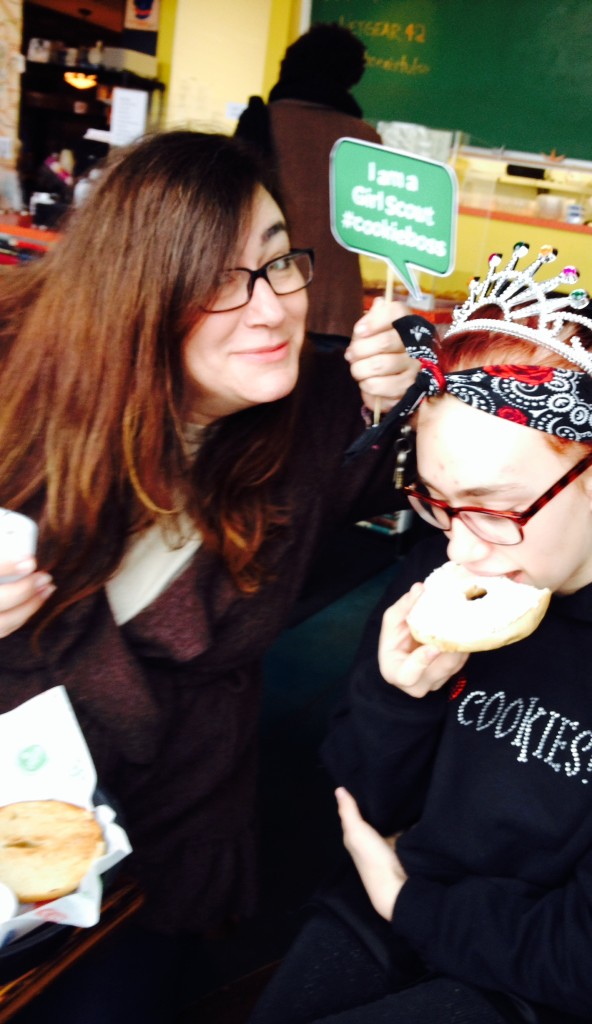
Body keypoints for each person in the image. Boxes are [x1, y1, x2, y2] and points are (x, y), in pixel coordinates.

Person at [249, 244, 592, 1024]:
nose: (461, 548)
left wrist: (408, 903)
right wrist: (399, 699)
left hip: (539, 986)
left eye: (495, 508)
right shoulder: (446, 566)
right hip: (380, 918)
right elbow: (362, 804)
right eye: (439, 501)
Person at [0, 129, 415, 1020]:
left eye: (278, 264)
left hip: (157, 863)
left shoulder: (321, 416)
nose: (269, 310)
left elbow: (502, 471)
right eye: (220, 280)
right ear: (136, 292)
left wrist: (415, 394)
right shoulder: (14, 386)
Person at [235, 22, 382, 350]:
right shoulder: (366, 138)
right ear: (350, 77)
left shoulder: (262, 120)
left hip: (269, 302)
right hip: (340, 310)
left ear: (292, 66)